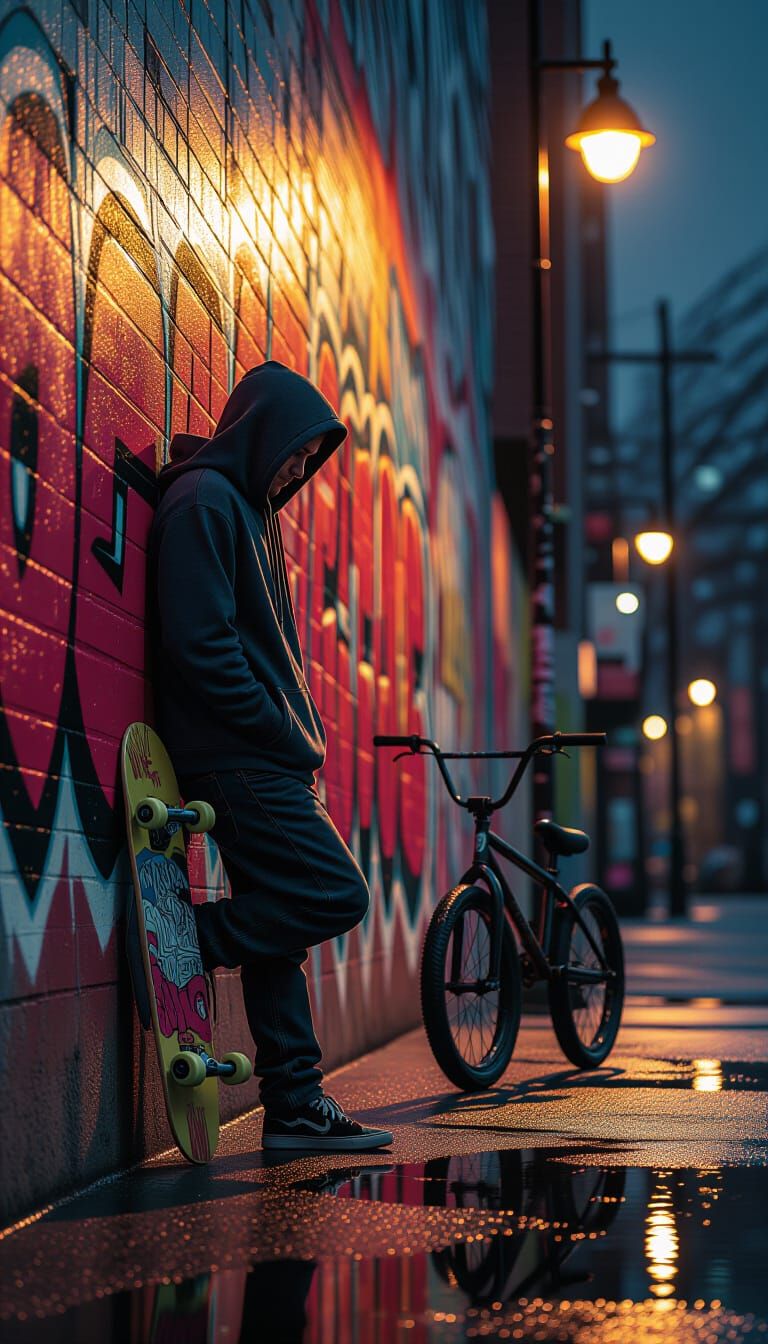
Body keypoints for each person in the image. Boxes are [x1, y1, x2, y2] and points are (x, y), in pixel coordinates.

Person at [146, 360, 393, 1152]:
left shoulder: (247, 509)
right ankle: (189, 940)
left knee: (281, 934)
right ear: (259, 430)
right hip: (239, 757)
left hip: (263, 756)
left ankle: (293, 1105)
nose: (302, 466)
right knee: (332, 894)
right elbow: (202, 643)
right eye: (297, 448)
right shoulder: (204, 502)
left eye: (312, 455)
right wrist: (277, 730)